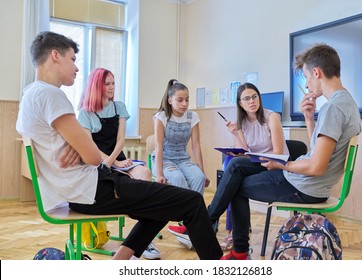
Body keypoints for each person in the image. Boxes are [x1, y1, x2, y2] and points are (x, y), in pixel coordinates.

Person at [16, 31, 223, 260]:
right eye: (72, 59)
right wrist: (83, 146)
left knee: (164, 201)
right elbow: (94, 157)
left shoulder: (30, 94)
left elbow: (82, 149)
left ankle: (120, 261)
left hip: (81, 188)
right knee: (192, 200)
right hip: (91, 190)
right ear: (55, 55)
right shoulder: (50, 95)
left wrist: (81, 145)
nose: (76, 68)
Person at [171, 43, 361, 260]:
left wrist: (283, 164)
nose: (307, 83)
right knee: (236, 167)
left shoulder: (333, 108)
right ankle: (218, 233)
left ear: (317, 72)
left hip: (306, 185)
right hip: (309, 183)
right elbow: (318, 153)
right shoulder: (346, 103)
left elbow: (316, 166)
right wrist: (309, 119)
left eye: (307, 77)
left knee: (236, 185)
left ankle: (225, 241)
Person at [169, 82, 289, 251]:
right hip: (258, 164)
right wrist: (236, 134)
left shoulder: (271, 117)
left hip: (274, 165)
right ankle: (229, 237)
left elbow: (277, 154)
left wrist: (247, 158)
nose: (252, 101)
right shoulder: (243, 123)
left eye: (254, 97)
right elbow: (246, 153)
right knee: (234, 168)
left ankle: (204, 220)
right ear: (240, 103)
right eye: (246, 99)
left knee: (235, 165)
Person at [77, 67, 159, 260]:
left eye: (113, 83)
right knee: (122, 186)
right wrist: (109, 163)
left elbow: (121, 139)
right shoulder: (85, 113)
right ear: (97, 86)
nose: (112, 87)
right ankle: (139, 240)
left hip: (118, 157)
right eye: (107, 84)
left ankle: (144, 237)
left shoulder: (119, 107)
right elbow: (89, 146)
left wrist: (115, 162)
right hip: (97, 161)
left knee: (145, 174)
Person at [152, 79, 210, 249]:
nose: (184, 104)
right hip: (164, 158)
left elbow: (196, 145)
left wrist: (203, 171)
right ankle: (186, 224)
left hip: (183, 158)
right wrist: (160, 173)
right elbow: (158, 146)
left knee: (198, 178)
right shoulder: (161, 117)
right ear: (170, 100)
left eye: (187, 100)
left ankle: (190, 222)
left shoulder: (193, 117)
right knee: (178, 179)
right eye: (180, 100)